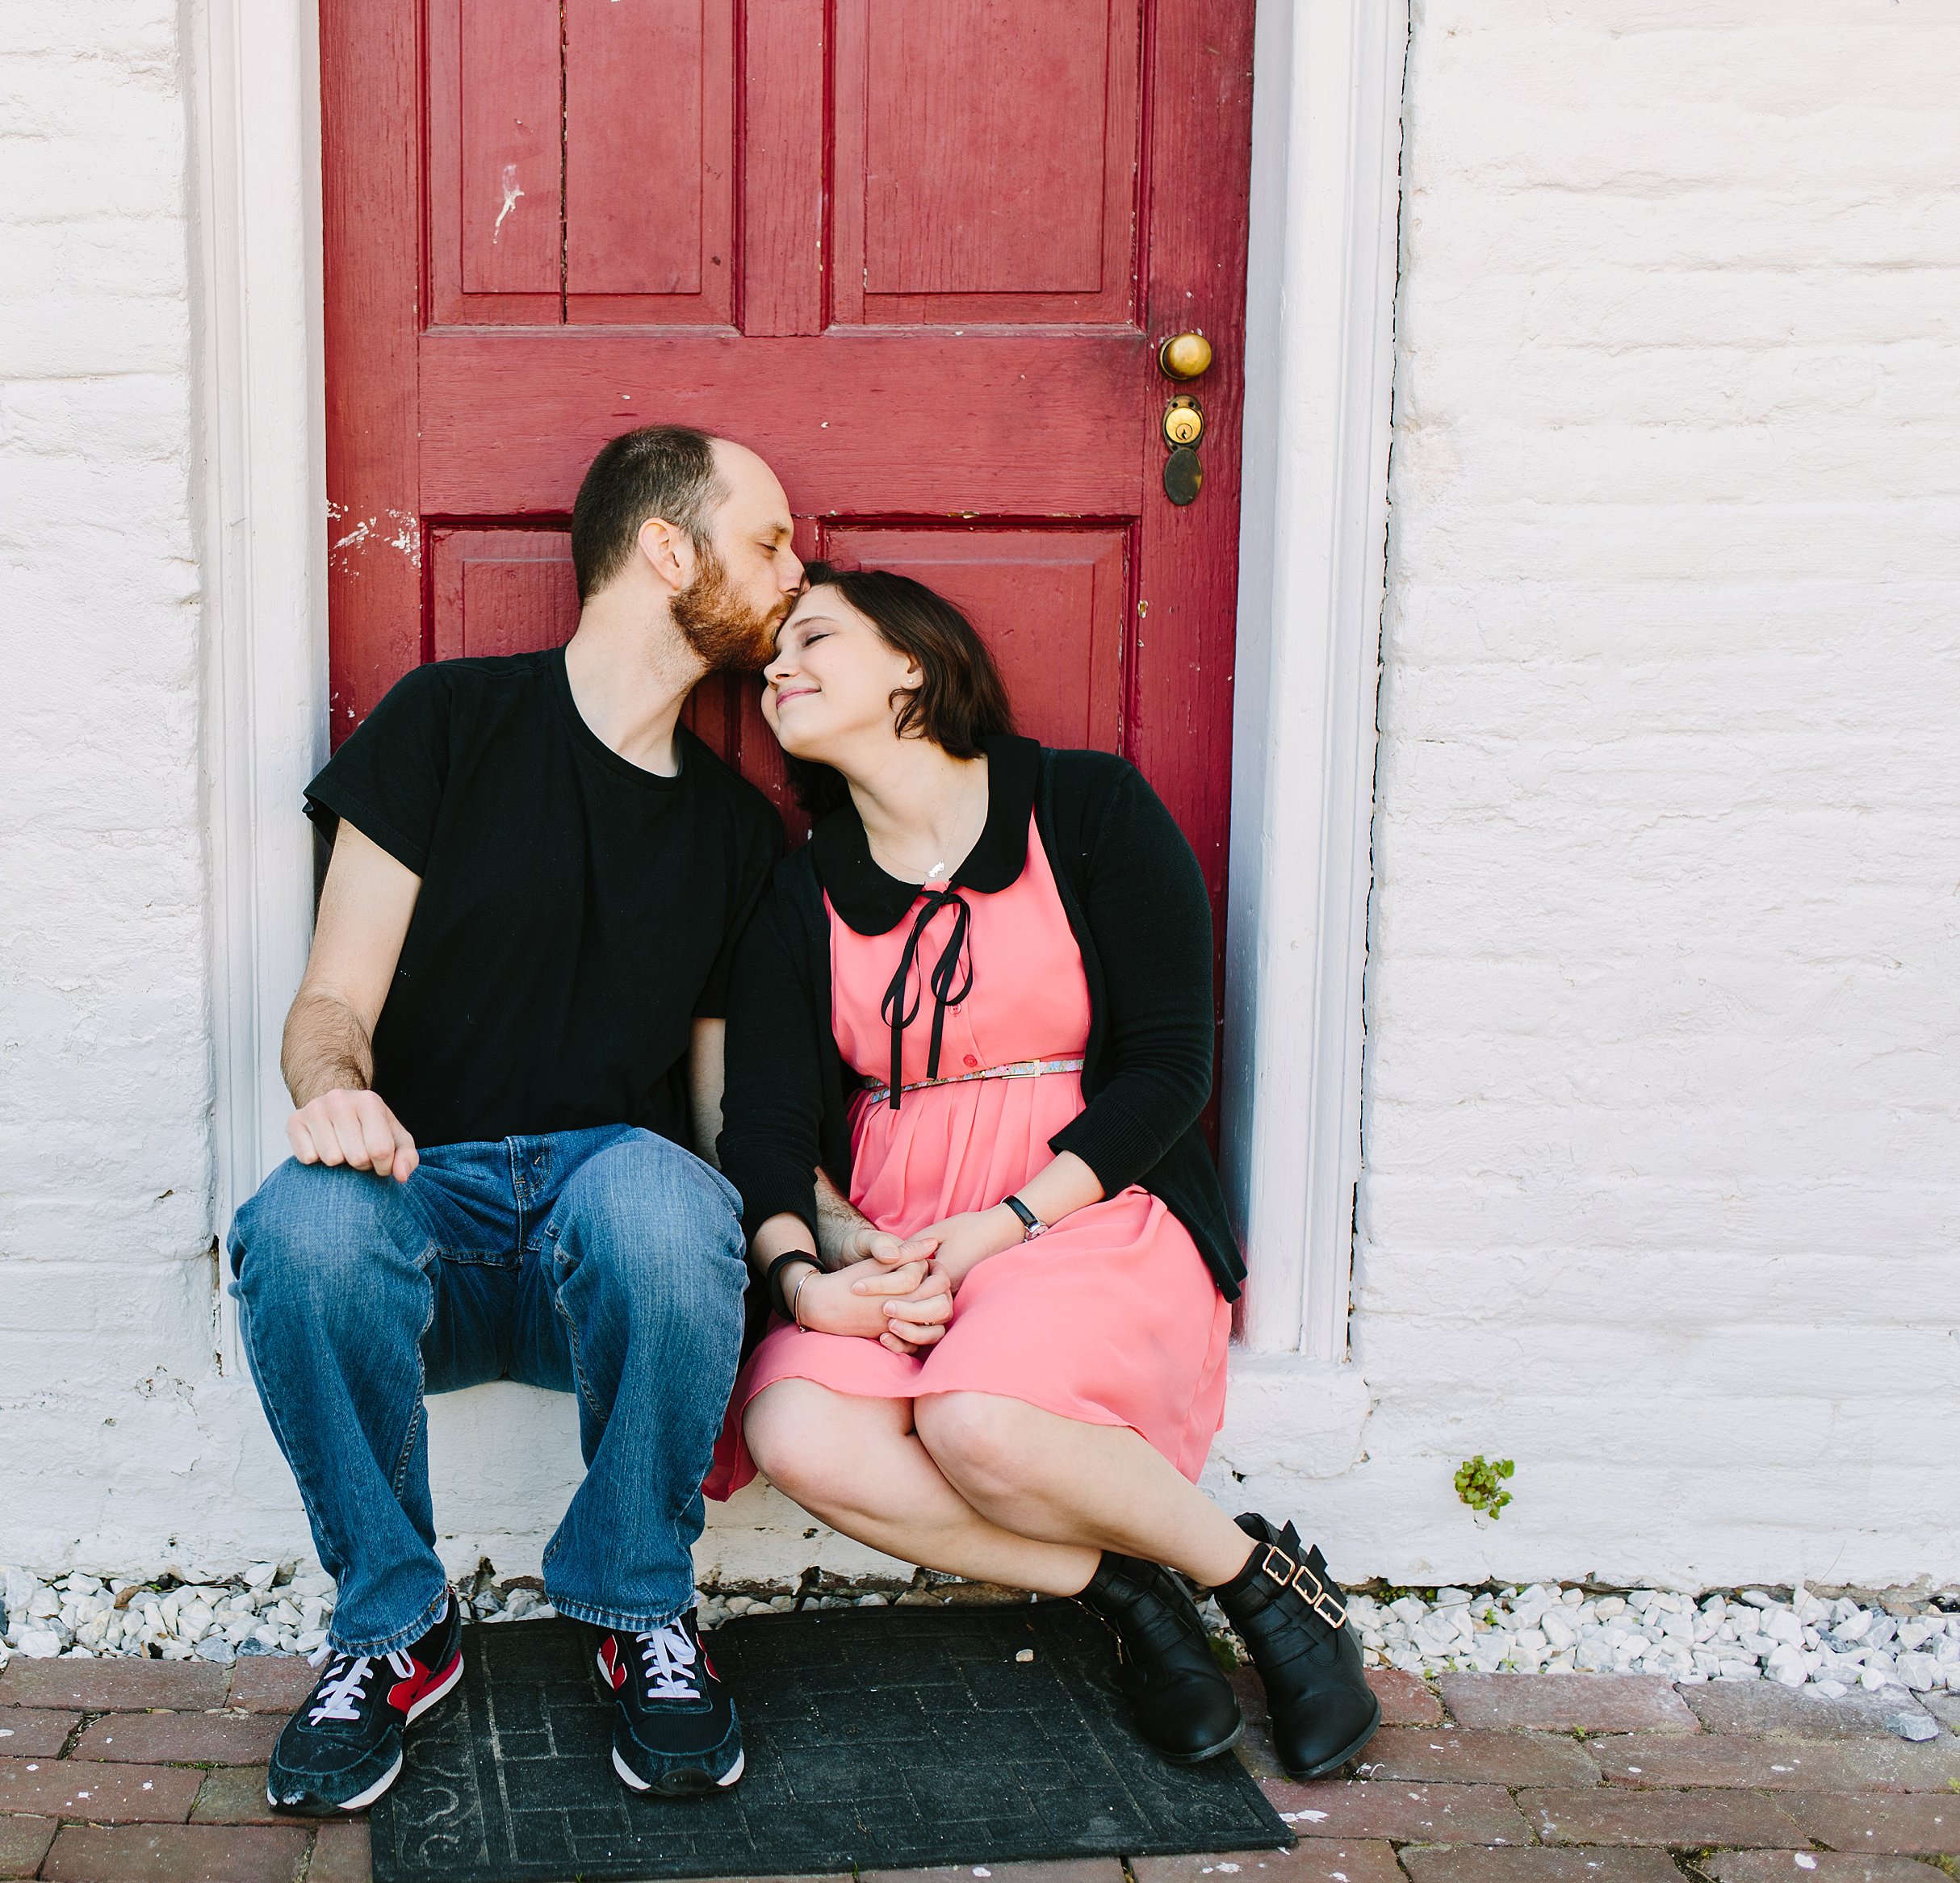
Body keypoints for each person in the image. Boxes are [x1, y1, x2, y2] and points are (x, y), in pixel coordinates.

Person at [710, 567, 1384, 1782]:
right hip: (904, 1233)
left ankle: (1263, 1584)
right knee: (794, 1423)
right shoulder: (803, 886)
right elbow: (762, 1122)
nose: (775, 672)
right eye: (768, 661)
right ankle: (1130, 1591)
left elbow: (1173, 1065)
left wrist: (1008, 1221)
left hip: (1090, 1208)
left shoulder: (1086, 808)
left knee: (979, 1418)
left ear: (913, 663)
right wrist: (816, 1269)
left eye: (812, 638)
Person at [228, 425, 799, 1815]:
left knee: (668, 1199)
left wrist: (813, 1243)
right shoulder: (449, 724)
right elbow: (328, 1004)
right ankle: (392, 1627)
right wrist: (335, 1096)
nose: (800, 569)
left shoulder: (736, 836)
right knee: (296, 1222)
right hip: (423, 1216)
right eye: (772, 539)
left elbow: (726, 1137)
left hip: (609, 1253)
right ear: (670, 549)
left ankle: (632, 1603)